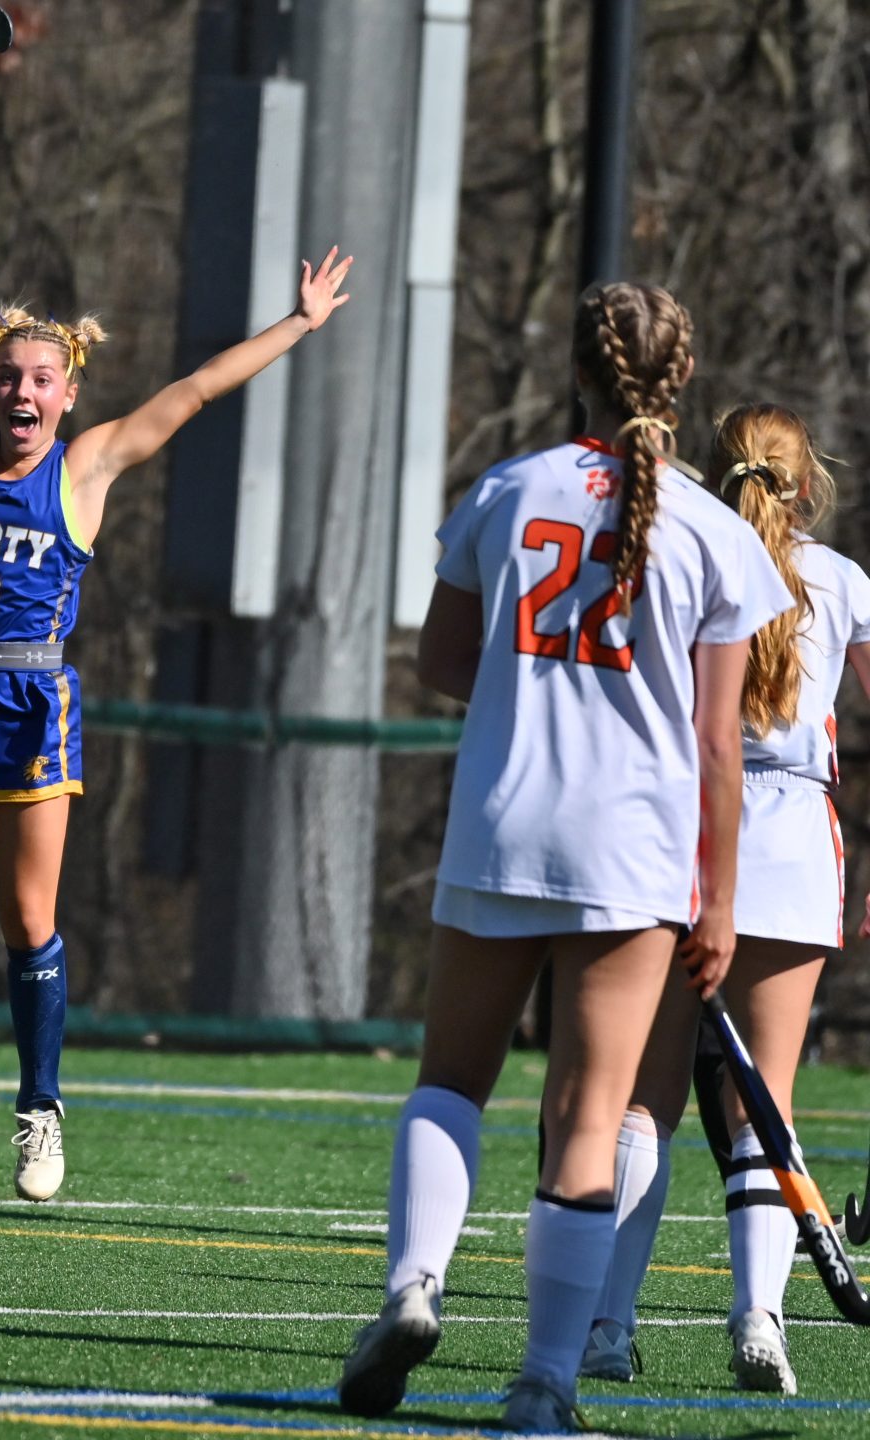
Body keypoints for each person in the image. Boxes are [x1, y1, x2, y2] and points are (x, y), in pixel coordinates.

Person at [335, 284, 791, 1434]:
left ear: (575, 372)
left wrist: (533, 683)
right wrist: (720, 902)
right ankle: (542, 1383)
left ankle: (412, 1285)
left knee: (450, 1080)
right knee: (589, 1117)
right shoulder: (718, 533)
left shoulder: (507, 487)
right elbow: (717, 746)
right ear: (679, 383)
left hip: (503, 819)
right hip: (631, 849)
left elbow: (442, 660)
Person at [0, 135, 352, 1200]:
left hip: (30, 698)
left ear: (69, 391)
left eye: (40, 378)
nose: (19, 392)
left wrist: (297, 325)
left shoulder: (87, 465)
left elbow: (193, 393)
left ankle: (38, 1112)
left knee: (26, 920)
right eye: (7, 378)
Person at [579, 403, 863, 1395]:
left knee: (641, 1099)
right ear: (808, 483)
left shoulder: (682, 555)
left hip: (680, 834)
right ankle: (758, 1322)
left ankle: (603, 1326)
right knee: (765, 1103)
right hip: (791, 846)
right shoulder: (841, 580)